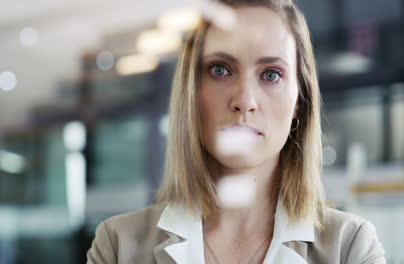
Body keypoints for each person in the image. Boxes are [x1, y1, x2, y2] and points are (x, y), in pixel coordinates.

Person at [86, 0, 386, 263]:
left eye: (271, 74)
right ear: (191, 93)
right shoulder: (117, 245)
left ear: (299, 100)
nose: (244, 101)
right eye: (220, 70)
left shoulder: (350, 247)